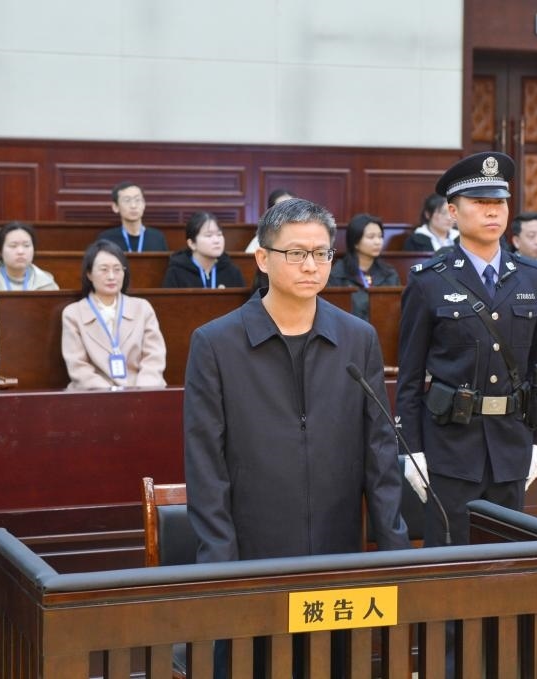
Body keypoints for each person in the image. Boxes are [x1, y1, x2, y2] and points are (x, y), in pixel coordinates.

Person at [184, 198, 410, 676]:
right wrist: (221, 569)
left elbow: (380, 453)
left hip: (337, 556)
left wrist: (394, 554)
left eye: (322, 253)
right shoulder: (216, 343)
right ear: (263, 259)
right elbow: (205, 466)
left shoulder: (357, 338)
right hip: (252, 562)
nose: (311, 265)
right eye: (296, 253)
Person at [396, 152, 537, 547]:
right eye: (480, 202)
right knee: (449, 562)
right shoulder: (428, 281)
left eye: (499, 201)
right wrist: (413, 451)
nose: (492, 211)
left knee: (505, 561)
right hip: (449, 448)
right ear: (452, 212)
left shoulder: (532, 278)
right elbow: (410, 377)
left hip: (511, 446)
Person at [61, 239, 166, 389]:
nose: (111, 276)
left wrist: (141, 392)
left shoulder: (142, 308)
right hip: (94, 394)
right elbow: (78, 367)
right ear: (89, 274)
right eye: (104, 269)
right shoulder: (73, 314)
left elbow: (154, 357)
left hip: (141, 390)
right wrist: (110, 394)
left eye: (117, 269)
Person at [0, 222, 60, 373]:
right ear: (0, 250)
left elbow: (52, 329)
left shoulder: (47, 283)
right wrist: (13, 350)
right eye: (13, 246)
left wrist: (29, 350)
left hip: (37, 351)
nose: (20, 251)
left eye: (26, 245)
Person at [327, 212, 400, 321]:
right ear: (355, 242)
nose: (378, 242)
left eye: (380, 236)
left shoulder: (389, 274)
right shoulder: (338, 274)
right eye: (371, 237)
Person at [161, 211, 246, 288]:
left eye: (219, 234)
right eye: (208, 235)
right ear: (192, 244)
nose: (216, 240)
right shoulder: (176, 272)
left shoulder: (232, 271)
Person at [99, 182, 169, 253]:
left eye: (137, 200)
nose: (133, 206)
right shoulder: (107, 238)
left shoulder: (157, 237)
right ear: (115, 207)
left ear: (144, 204)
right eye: (127, 200)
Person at [244, 188, 295, 253]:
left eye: (290, 207)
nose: (286, 212)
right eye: (280, 208)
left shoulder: (304, 234)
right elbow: (249, 257)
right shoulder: (262, 239)